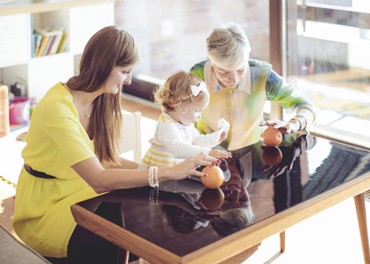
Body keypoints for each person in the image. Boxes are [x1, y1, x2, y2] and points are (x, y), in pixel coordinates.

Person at [12, 26, 219, 264]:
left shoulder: (101, 100)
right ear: (103, 65)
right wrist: (169, 172)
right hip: (45, 207)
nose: (130, 80)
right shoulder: (57, 108)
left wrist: (154, 170)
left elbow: (107, 161)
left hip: (81, 188)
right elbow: (99, 179)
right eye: (124, 71)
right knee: (114, 240)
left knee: (136, 223)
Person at [190, 22, 317, 151]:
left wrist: (295, 123)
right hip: (207, 156)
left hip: (253, 154)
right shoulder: (197, 76)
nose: (234, 79)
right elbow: (177, 117)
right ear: (211, 61)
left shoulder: (262, 76)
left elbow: (306, 106)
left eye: (240, 69)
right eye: (224, 72)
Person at [139, 70, 231, 169]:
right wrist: (209, 152)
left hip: (176, 173)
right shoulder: (167, 126)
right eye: (197, 110)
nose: (199, 116)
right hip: (159, 175)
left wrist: (216, 137)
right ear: (178, 104)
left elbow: (197, 140)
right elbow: (178, 149)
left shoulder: (185, 124)